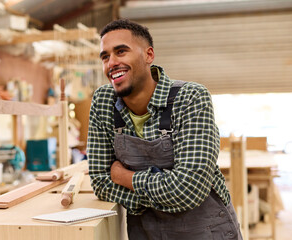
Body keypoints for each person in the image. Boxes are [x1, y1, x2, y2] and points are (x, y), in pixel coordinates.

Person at [87, 18, 242, 240]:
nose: (111, 62)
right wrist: (165, 192)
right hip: (147, 233)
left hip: (206, 231)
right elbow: (101, 181)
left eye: (121, 52)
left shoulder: (190, 98)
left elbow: (190, 189)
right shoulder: (103, 101)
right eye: (105, 56)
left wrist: (125, 177)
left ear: (149, 55)